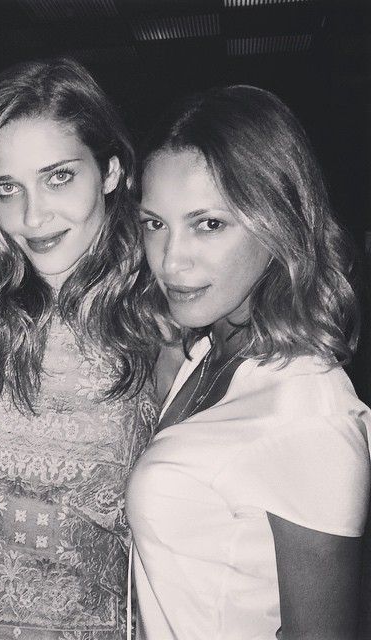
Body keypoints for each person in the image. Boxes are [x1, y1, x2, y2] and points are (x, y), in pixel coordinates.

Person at [0, 58, 168, 640]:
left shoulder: (161, 323)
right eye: (7, 188)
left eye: (58, 178)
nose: (32, 216)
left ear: (110, 172)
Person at [126, 84, 371, 639]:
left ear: (277, 222)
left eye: (208, 224)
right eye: (154, 223)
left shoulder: (308, 409)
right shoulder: (208, 354)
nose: (170, 260)